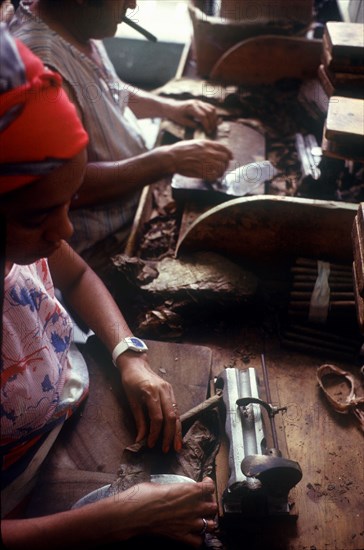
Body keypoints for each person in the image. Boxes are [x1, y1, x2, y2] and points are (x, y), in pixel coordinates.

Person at [0, 26, 218, 549]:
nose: (65, 231)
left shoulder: (27, 245)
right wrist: (120, 518)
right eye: (38, 216)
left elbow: (74, 273)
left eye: (69, 202)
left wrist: (128, 356)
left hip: (62, 411)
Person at [9, 0, 233, 267]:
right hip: (104, 243)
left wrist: (170, 108)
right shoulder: (44, 68)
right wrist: (167, 161)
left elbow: (107, 90)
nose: (132, 4)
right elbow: (68, 187)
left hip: (134, 194)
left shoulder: (76, 25)